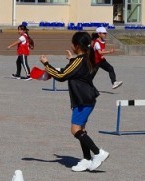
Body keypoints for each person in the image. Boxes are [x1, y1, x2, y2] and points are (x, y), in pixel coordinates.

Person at [40, 31, 109, 172]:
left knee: (75, 130)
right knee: (81, 130)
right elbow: (75, 71)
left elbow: (61, 75)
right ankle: (86, 159)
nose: (71, 46)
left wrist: (46, 64)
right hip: (86, 98)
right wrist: (71, 60)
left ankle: (98, 152)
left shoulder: (79, 60)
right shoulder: (87, 59)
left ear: (77, 46)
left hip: (83, 99)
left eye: (72, 43)